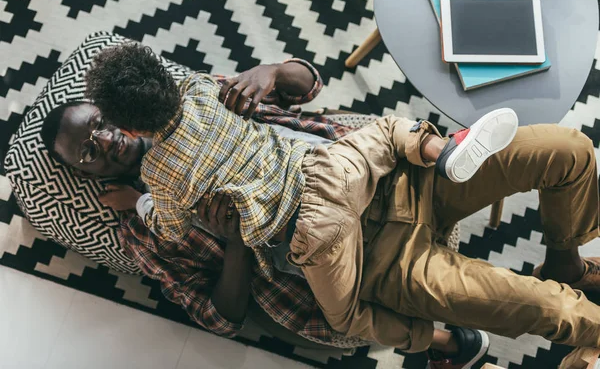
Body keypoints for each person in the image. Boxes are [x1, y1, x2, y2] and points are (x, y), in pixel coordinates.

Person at [42, 61, 491, 368]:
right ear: (87, 173)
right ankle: (449, 343)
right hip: (304, 258)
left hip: (332, 169)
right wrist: (234, 242)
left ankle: (448, 158)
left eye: (99, 123)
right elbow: (220, 319)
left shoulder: (200, 94)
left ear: (120, 114)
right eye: (86, 153)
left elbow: (311, 83)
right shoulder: (140, 228)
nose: (102, 141)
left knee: (391, 137)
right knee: (349, 310)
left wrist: (272, 70)